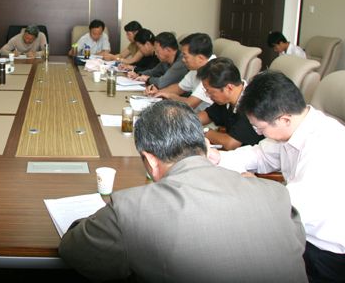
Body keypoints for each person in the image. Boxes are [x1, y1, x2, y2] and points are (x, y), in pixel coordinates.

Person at [58, 101, 307, 283]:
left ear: (150, 160)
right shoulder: (277, 195)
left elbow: (74, 252)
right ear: (205, 145)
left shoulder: (131, 210)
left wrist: (93, 221)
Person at [208, 71, 345, 282]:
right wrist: (217, 158)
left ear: (284, 119)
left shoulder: (326, 144)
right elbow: (259, 155)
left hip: (323, 251)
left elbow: (293, 206)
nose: (258, 133)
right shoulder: (294, 127)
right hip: (296, 231)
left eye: (259, 128)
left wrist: (254, 186)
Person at [197, 57, 263, 150]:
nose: (208, 95)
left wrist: (205, 132)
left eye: (210, 91)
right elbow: (206, 115)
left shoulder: (252, 104)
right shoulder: (226, 100)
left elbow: (230, 143)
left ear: (229, 88)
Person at [150, 33, 214, 111]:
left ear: (200, 58)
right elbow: (179, 88)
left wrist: (171, 96)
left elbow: (190, 104)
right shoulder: (197, 67)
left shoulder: (213, 71)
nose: (183, 60)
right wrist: (158, 92)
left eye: (185, 56)